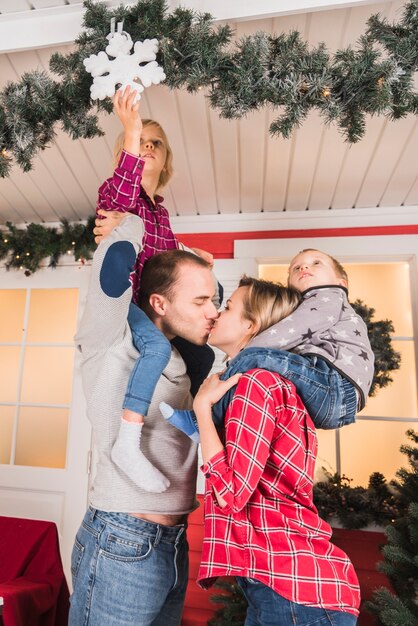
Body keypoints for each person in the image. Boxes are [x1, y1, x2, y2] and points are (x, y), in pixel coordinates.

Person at [69, 214, 219, 625]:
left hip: (173, 541)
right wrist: (132, 220)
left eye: (213, 301)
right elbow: (113, 265)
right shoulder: (110, 337)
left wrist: (189, 257)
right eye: (201, 302)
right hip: (123, 539)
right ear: (158, 303)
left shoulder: (182, 359)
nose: (213, 311)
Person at [193, 276, 361, 625]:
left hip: (295, 592)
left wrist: (200, 410)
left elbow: (232, 493)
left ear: (251, 326)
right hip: (285, 587)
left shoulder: (257, 383)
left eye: (227, 307)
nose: (216, 315)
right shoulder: (265, 383)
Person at [94, 85, 216, 489]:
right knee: (158, 347)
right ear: (123, 156)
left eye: (155, 144)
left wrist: (192, 256)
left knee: (201, 355)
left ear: (165, 162)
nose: (146, 148)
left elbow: (163, 260)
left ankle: (197, 418)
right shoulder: (116, 197)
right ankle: (127, 441)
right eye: (139, 143)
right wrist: (130, 130)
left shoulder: (161, 215)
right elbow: (124, 195)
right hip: (128, 300)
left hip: (157, 301)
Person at [161, 248, 374, 438]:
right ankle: (206, 421)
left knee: (255, 357)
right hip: (334, 394)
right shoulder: (316, 309)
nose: (304, 267)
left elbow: (288, 331)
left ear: (341, 283)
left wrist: (244, 355)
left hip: (336, 387)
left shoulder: (330, 297)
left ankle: (202, 421)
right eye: (296, 267)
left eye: (316, 263)